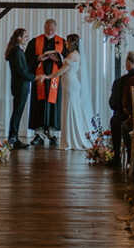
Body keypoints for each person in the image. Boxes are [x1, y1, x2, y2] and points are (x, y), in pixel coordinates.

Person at [25, 18, 66, 146]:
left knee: (54, 105)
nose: (50, 31)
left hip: (55, 79)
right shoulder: (35, 42)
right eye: (48, 29)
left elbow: (67, 63)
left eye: (52, 29)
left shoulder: (62, 42)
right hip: (40, 79)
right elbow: (27, 60)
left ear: (56, 28)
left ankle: (53, 134)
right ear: (44, 27)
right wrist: (38, 58)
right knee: (39, 105)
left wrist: (57, 60)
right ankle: (39, 134)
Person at [109, 48, 134, 165]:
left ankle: (118, 156)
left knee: (116, 120)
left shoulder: (123, 81)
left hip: (130, 116)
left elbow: (114, 104)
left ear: (128, 64)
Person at [54, 34, 94, 150]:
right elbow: (66, 67)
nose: (65, 43)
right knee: (69, 109)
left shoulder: (73, 55)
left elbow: (62, 70)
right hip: (69, 83)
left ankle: (71, 140)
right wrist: (59, 60)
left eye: (67, 41)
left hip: (71, 84)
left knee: (71, 109)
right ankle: (70, 137)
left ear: (71, 42)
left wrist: (47, 76)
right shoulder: (73, 54)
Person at [6, 27, 35, 148]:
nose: (27, 39)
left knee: (17, 112)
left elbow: (24, 67)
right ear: (19, 38)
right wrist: (35, 78)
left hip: (20, 85)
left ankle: (14, 137)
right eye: (25, 37)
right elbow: (22, 71)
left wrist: (37, 59)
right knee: (17, 113)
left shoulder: (18, 50)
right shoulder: (17, 51)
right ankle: (13, 138)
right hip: (20, 86)